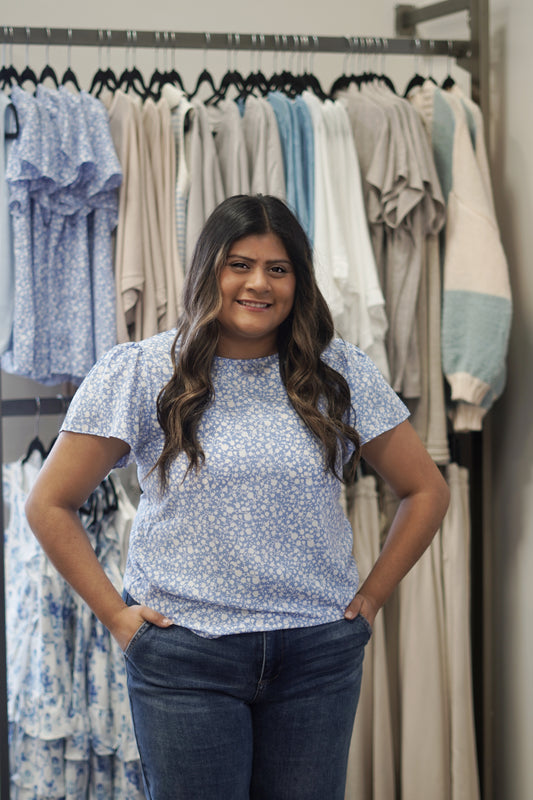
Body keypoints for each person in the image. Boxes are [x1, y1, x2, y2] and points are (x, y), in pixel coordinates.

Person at [26, 194, 450, 800]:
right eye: (239, 264)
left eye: (278, 269)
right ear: (209, 271)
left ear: (299, 280)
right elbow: (48, 503)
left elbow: (426, 490)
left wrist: (372, 597)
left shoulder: (339, 373)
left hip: (316, 658)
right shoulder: (145, 371)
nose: (259, 284)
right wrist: (118, 618)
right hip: (185, 661)